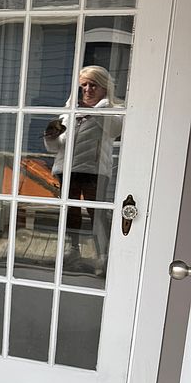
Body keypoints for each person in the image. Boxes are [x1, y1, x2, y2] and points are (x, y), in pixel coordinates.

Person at [43, 65, 123, 266]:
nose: (87, 89)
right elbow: (57, 147)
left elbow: (115, 130)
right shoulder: (70, 112)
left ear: (105, 87)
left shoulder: (113, 111)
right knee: (70, 211)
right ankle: (73, 249)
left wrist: (93, 111)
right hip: (67, 169)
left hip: (94, 171)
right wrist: (51, 137)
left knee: (97, 213)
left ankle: (104, 256)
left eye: (93, 85)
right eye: (84, 85)